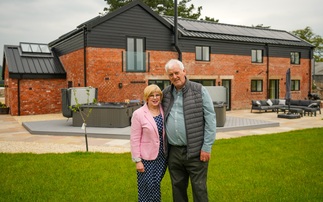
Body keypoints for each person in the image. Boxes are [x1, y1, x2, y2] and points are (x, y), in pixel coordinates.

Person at [162, 59, 217, 202]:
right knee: (177, 188)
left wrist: (207, 147)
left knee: (199, 189)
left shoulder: (199, 90)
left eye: (176, 73)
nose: (174, 77)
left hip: (196, 150)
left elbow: (210, 120)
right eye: (170, 75)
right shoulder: (166, 93)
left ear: (184, 71)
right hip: (173, 152)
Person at [130, 84, 167, 202]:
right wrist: (137, 160)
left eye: (157, 95)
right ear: (147, 97)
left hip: (162, 156)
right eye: (152, 96)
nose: (155, 98)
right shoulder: (139, 114)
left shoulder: (164, 110)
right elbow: (134, 138)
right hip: (146, 158)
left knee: (156, 184)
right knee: (146, 186)